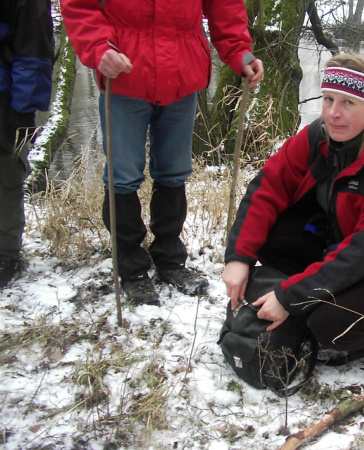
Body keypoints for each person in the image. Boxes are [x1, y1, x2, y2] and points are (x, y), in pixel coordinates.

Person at [223, 53, 364, 363]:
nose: (333, 114)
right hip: (338, 244)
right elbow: (266, 189)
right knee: (275, 233)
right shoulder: (316, 137)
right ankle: (314, 297)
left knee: (330, 326)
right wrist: (239, 257)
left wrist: (291, 297)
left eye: (348, 103)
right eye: (328, 99)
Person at [61, 0, 264, 305]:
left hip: (182, 73)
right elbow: (80, 6)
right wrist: (97, 47)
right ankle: (131, 266)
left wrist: (238, 51)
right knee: (123, 175)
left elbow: (224, 6)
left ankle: (170, 259)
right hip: (124, 73)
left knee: (174, 171)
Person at [0, 0, 54, 289]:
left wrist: (23, 108)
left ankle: (5, 254)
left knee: (6, 173)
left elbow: (34, 48)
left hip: (5, 95)